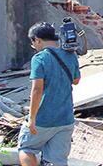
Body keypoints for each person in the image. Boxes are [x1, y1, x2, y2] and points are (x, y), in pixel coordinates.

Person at [18, 22, 81, 166]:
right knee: (58, 161)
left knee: (27, 148)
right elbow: (76, 80)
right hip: (65, 119)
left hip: (43, 119)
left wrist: (32, 118)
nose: (33, 46)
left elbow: (37, 89)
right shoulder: (71, 55)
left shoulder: (39, 58)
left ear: (37, 40)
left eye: (32, 42)